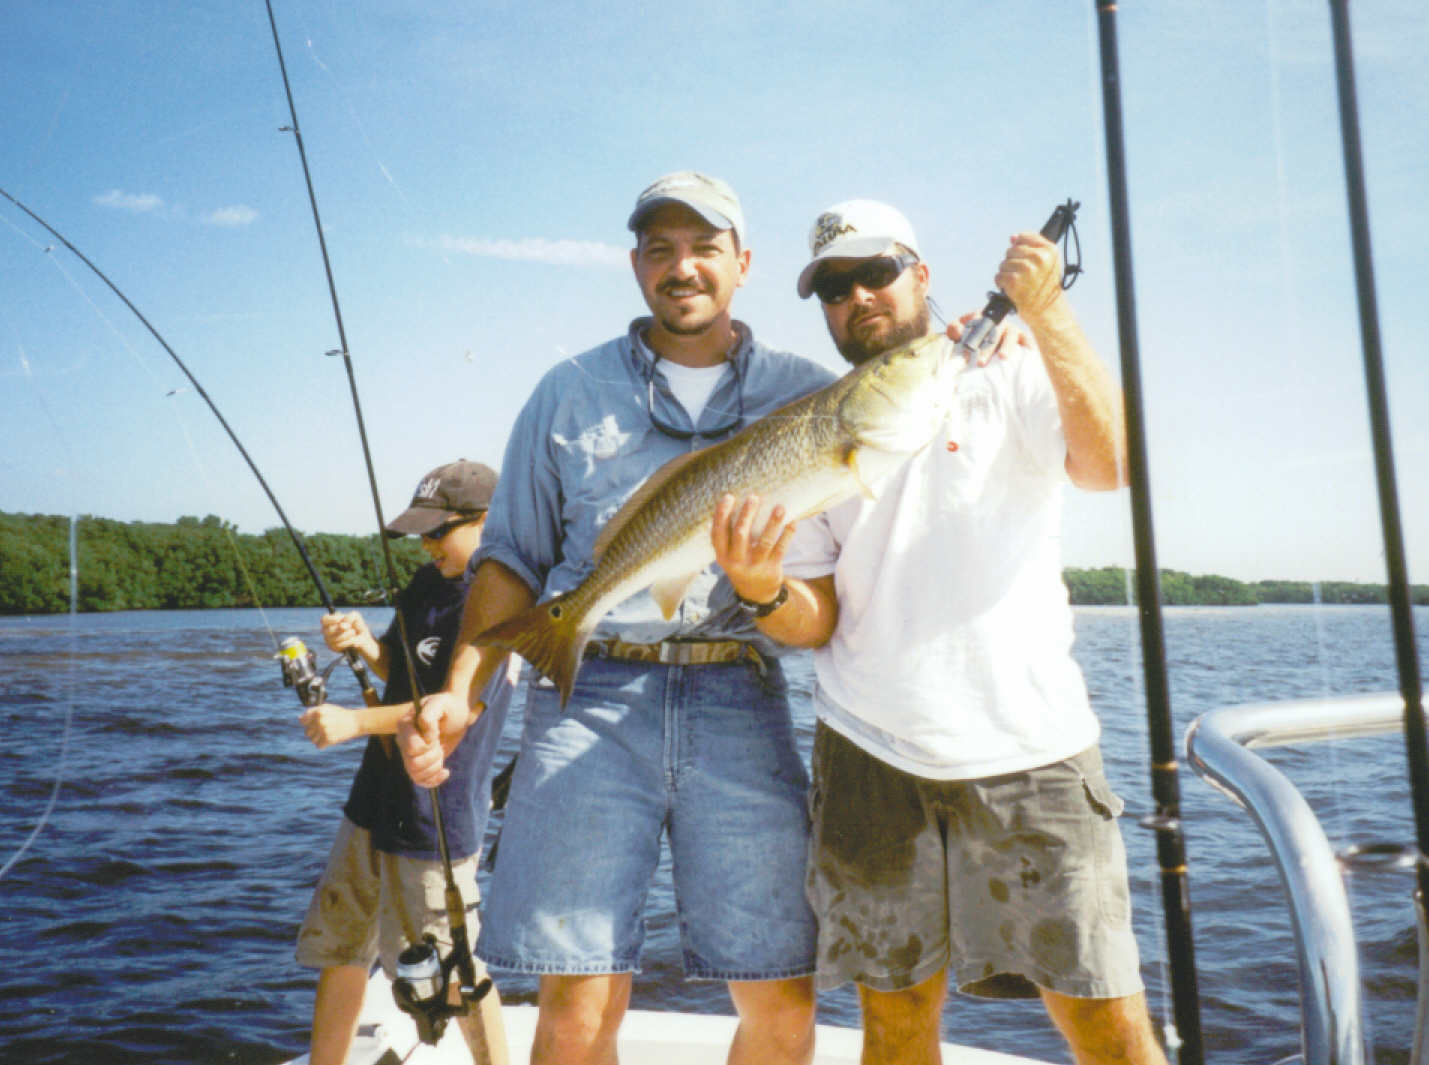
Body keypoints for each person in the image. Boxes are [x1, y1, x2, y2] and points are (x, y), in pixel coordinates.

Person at [710, 199, 1169, 1065]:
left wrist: (1047, 311)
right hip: (868, 757)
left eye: (875, 272)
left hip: (1033, 748)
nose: (857, 297)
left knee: (1104, 1016)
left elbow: (1112, 465)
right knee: (895, 1019)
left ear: (920, 274)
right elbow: (818, 621)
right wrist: (761, 591)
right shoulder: (811, 429)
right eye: (833, 288)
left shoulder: (1013, 364)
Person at [399, 172, 835, 1065]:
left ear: (742, 264)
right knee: (575, 1007)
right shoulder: (566, 390)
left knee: (784, 997)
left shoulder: (807, 393)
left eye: (704, 248)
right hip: (587, 688)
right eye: (661, 250)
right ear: (636, 264)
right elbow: (511, 559)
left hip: (739, 694)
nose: (683, 268)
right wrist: (460, 695)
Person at [294, 459, 512, 1065]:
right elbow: (402, 671)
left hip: (433, 819)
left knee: (455, 973)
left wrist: (352, 722)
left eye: (439, 531)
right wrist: (366, 644)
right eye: (420, 532)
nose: (426, 544)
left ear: (488, 522)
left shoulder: (496, 602)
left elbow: (449, 708)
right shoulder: (425, 586)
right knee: (341, 951)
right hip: (372, 804)